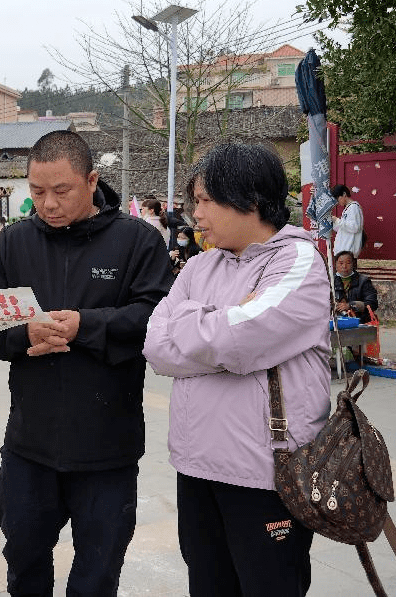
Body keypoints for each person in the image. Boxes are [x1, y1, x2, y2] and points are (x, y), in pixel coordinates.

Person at [0, 130, 173, 596]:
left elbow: (158, 318)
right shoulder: (14, 243)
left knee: (97, 573)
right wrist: (24, 335)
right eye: (37, 191)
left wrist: (85, 325)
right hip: (30, 445)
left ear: (92, 181)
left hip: (108, 447)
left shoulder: (137, 242)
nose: (48, 204)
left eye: (61, 190)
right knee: (24, 563)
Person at [142, 143, 331, 597]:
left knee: (268, 584)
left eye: (206, 201)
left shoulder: (297, 262)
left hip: (266, 472)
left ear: (249, 200)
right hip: (196, 465)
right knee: (207, 583)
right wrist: (220, 318)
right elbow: (155, 345)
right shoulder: (201, 265)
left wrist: (196, 322)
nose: (195, 214)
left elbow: (239, 340)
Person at [333, 250, 378, 324]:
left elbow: (372, 303)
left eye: (348, 263)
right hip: (336, 323)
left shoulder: (363, 281)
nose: (344, 266)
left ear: (353, 264)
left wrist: (351, 305)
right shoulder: (330, 281)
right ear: (336, 264)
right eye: (341, 263)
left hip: (360, 322)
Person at [331, 184, 364, 257]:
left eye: (338, 198)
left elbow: (354, 227)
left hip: (348, 252)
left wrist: (337, 220)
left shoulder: (354, 207)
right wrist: (333, 223)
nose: (337, 202)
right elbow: (343, 229)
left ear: (344, 194)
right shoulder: (348, 208)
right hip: (344, 252)